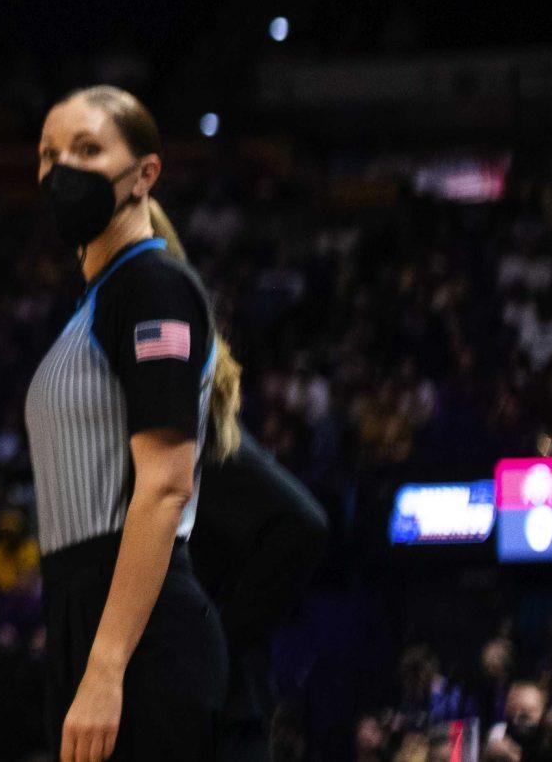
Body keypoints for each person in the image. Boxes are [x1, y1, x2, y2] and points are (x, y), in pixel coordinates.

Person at [24, 86, 232, 762]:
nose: (63, 170)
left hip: (139, 630)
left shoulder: (153, 288)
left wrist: (107, 664)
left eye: (87, 149)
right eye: (50, 154)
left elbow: (166, 486)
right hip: (87, 612)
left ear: (144, 173)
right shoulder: (102, 298)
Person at [188, 430, 328, 762]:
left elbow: (306, 524)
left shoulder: (197, 431)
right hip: (222, 694)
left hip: (222, 700)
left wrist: (223, 633)